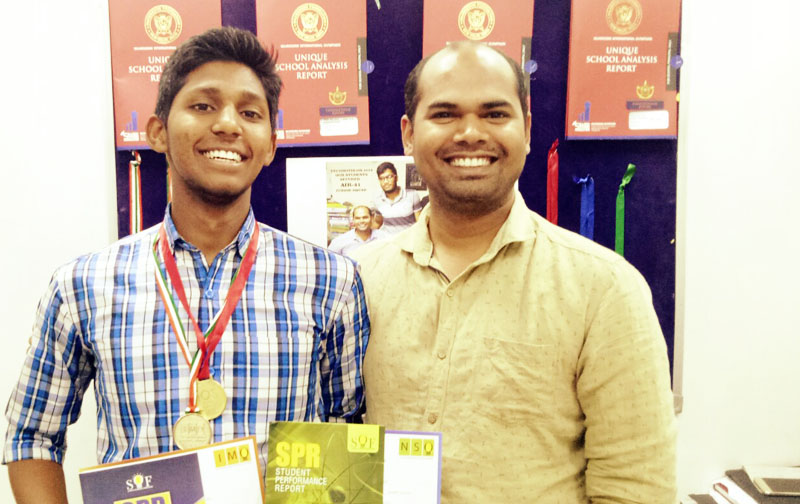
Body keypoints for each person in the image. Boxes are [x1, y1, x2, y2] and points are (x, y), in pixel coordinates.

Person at [3, 27, 369, 503]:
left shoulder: (331, 281)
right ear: (157, 131)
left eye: (250, 113)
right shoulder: (82, 286)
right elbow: (31, 435)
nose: (228, 124)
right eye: (203, 105)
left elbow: (347, 434)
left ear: (270, 145)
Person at [353, 42, 676, 503]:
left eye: (494, 114)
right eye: (444, 114)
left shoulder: (604, 289)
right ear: (408, 134)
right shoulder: (360, 281)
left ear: (526, 129)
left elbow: (636, 489)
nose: (470, 133)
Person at [371, 161, 423, 234]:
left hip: (408, 238)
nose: (385, 182)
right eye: (381, 178)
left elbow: (420, 223)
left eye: (389, 177)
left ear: (396, 178)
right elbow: (377, 223)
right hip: (388, 239)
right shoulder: (377, 200)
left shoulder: (412, 195)